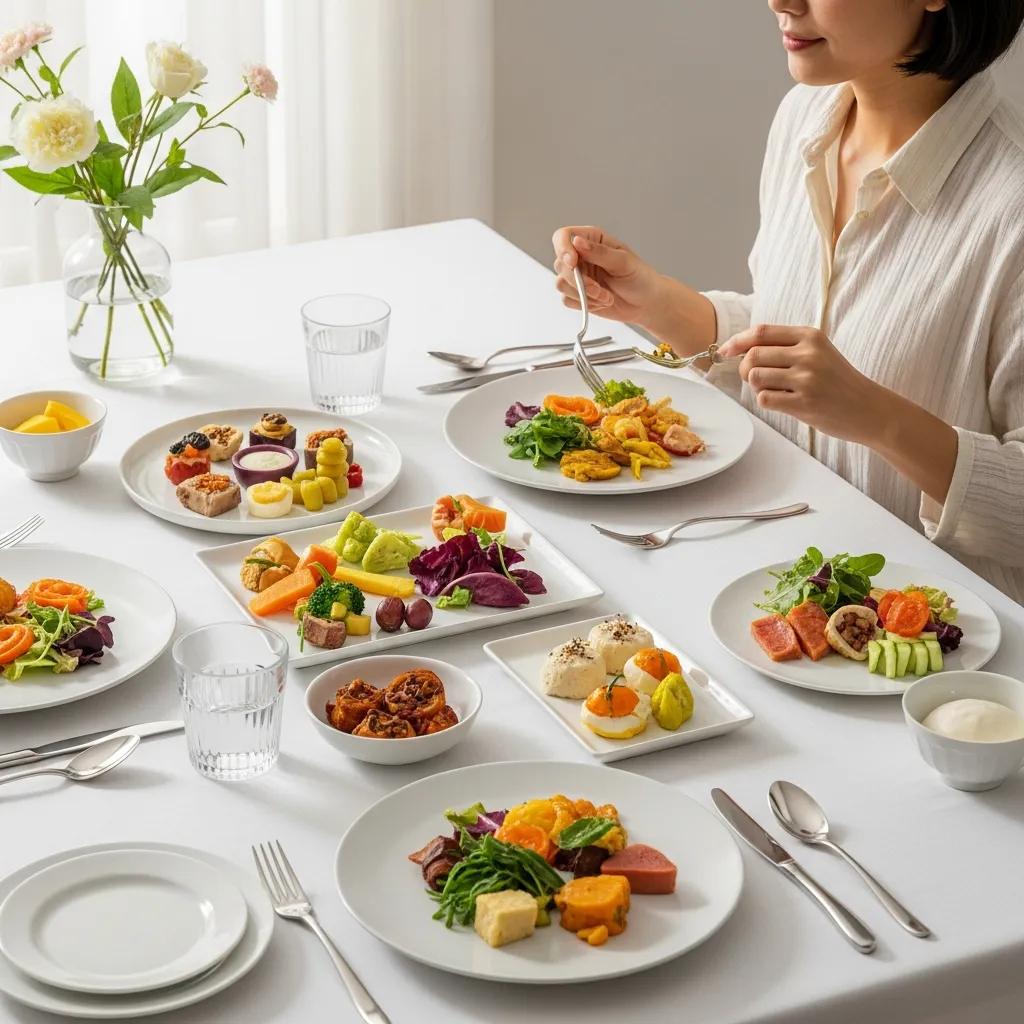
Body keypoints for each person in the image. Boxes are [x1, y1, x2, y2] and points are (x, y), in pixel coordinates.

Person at [552, 0, 1024, 603]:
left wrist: (880, 419)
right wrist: (654, 301)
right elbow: (796, 344)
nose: (781, 2)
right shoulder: (805, 118)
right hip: (767, 590)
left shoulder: (1010, 206)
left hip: (944, 638)